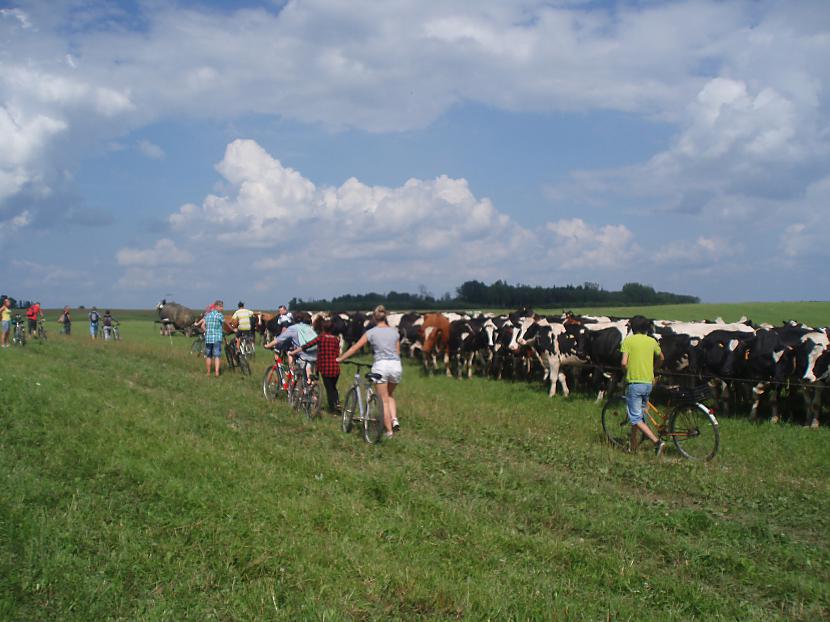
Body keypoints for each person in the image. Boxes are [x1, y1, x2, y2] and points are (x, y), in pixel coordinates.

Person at [337, 305, 401, 438]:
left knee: (383, 400)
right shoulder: (395, 332)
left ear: (373, 317)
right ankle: (394, 420)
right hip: (396, 365)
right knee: (389, 395)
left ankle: (389, 432)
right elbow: (398, 352)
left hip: (381, 365)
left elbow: (355, 347)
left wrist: (341, 358)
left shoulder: (371, 332)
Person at [620, 315, 665, 455]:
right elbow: (662, 357)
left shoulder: (628, 341)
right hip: (648, 383)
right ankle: (633, 446)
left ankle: (657, 442)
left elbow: (623, 362)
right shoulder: (652, 341)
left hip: (635, 383)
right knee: (639, 414)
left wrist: (628, 370)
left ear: (632, 328)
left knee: (635, 417)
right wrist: (654, 368)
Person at [291, 317, 341, 413]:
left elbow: (308, 345)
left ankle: (333, 408)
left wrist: (296, 351)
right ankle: (336, 403)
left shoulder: (321, 337)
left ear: (323, 328)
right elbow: (337, 353)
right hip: (335, 367)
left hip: (325, 367)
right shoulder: (336, 340)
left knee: (329, 388)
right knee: (333, 387)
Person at [268, 311, 317, 381]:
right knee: (308, 372)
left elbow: (279, 339)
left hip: (303, 353)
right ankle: (311, 386)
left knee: (291, 354)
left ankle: (293, 375)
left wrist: (268, 345)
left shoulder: (293, 328)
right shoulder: (309, 328)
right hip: (315, 353)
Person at [195, 300, 225, 377]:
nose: (222, 308)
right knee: (217, 356)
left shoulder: (207, 315)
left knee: (208, 356)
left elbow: (202, 326)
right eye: (221, 306)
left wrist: (207, 331)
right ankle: (217, 372)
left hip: (208, 338)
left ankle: (208, 373)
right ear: (216, 307)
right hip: (217, 338)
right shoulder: (220, 315)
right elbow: (224, 324)